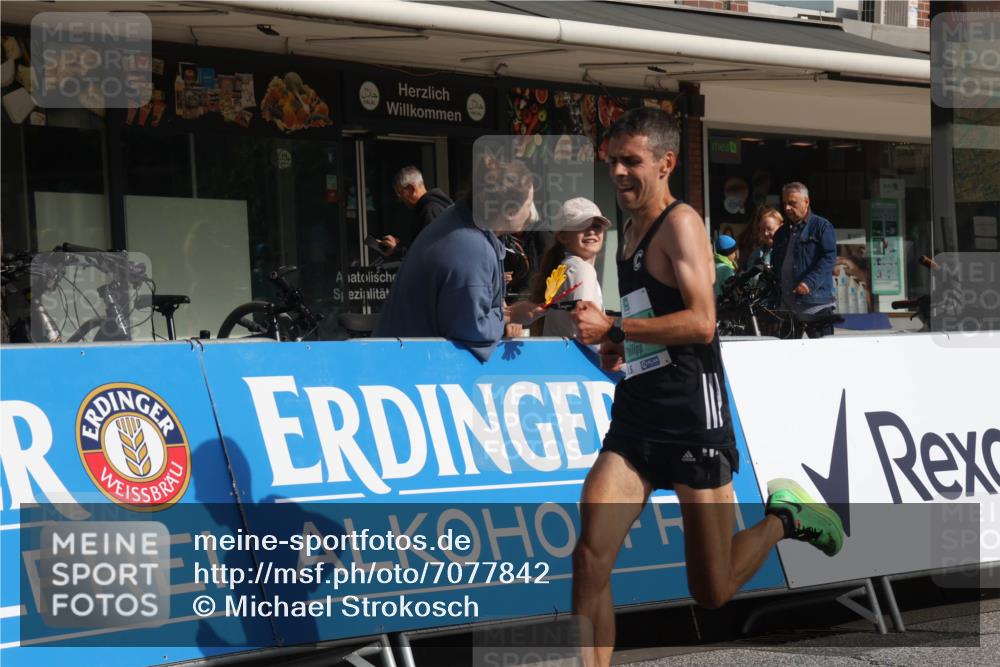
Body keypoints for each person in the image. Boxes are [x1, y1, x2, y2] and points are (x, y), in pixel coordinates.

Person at [568, 108, 844, 667]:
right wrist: (625, 341)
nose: (618, 172)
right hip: (639, 415)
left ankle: (785, 518)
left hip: (694, 415)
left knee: (711, 590)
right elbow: (659, 311)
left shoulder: (681, 222)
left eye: (631, 161)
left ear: (667, 162)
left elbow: (701, 321)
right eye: (613, 161)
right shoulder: (629, 228)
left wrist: (616, 326)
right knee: (590, 558)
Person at [374, 155, 541, 361]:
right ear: (509, 211)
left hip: (400, 358)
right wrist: (511, 316)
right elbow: (471, 331)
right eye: (529, 204)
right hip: (412, 367)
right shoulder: (472, 247)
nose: (532, 213)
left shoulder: (459, 221)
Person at [529, 198, 611, 341]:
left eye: (597, 226)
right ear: (563, 236)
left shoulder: (564, 267)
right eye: (582, 225)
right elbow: (587, 328)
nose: (591, 231)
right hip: (580, 362)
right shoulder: (581, 269)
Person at [770, 182, 838, 338]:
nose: (787, 208)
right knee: (789, 357)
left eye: (792, 203)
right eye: (785, 203)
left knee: (823, 355)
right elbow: (776, 264)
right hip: (788, 307)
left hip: (816, 306)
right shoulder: (781, 232)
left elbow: (829, 258)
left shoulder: (822, 227)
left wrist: (809, 282)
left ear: (806, 202)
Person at [378, 166, 453, 258]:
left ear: (411, 189)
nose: (400, 199)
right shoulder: (433, 207)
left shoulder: (430, 210)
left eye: (400, 193)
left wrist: (397, 249)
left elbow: (427, 253)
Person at [744, 204, 783, 269]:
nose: (765, 233)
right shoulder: (756, 254)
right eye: (762, 230)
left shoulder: (789, 250)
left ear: (781, 227)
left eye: (769, 229)